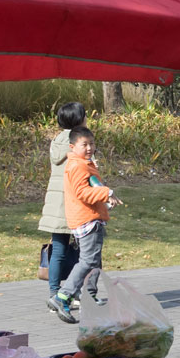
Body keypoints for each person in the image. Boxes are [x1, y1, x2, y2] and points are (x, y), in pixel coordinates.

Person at [50, 129, 116, 323]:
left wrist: (104, 199)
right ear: (72, 147)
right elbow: (83, 193)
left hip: (88, 217)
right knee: (88, 260)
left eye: (92, 144)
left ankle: (88, 296)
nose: (89, 148)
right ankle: (62, 296)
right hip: (87, 220)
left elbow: (90, 188)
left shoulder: (81, 164)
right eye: (84, 145)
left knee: (94, 260)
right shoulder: (78, 166)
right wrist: (105, 193)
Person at [36, 102, 85, 305]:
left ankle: (54, 293)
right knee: (84, 250)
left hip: (56, 202)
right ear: (78, 120)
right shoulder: (78, 142)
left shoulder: (56, 141)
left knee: (58, 249)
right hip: (74, 201)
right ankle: (73, 291)